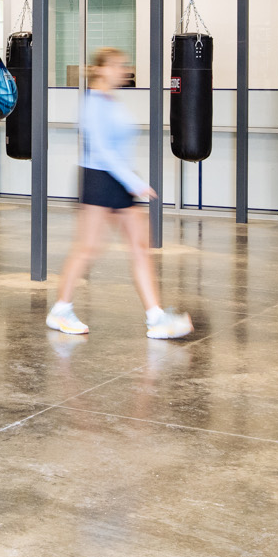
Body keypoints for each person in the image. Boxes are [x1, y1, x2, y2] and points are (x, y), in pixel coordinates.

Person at [46, 46, 193, 339]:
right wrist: (133, 182)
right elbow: (100, 148)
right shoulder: (93, 103)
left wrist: (129, 180)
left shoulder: (112, 101)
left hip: (119, 179)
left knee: (140, 246)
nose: (122, 71)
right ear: (100, 69)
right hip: (99, 177)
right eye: (116, 65)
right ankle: (60, 310)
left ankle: (156, 317)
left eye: (123, 65)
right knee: (88, 247)